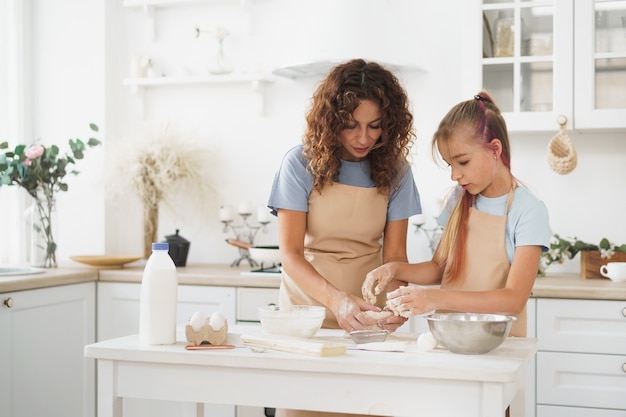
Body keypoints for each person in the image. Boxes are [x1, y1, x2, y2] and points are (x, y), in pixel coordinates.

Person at [362, 92, 551, 339]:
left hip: (499, 345)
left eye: (462, 162)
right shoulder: (458, 200)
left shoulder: (528, 211)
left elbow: (513, 300)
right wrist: (393, 269)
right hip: (449, 337)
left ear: (495, 149)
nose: (454, 175)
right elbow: (438, 268)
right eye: (449, 164)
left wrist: (434, 298)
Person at [267, 58, 421, 340]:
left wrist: (397, 304)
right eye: (351, 125)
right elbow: (290, 255)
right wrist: (337, 300)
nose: (363, 138)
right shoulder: (299, 164)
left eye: (374, 126)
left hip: (366, 316)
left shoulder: (397, 171)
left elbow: (396, 256)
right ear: (331, 121)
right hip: (304, 317)